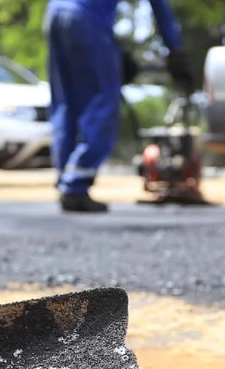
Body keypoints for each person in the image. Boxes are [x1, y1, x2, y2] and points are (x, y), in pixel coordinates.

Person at [43, 0, 193, 213]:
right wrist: (175, 50)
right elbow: (159, 7)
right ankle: (75, 182)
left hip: (55, 13)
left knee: (66, 102)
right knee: (103, 101)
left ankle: (65, 177)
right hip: (88, 20)